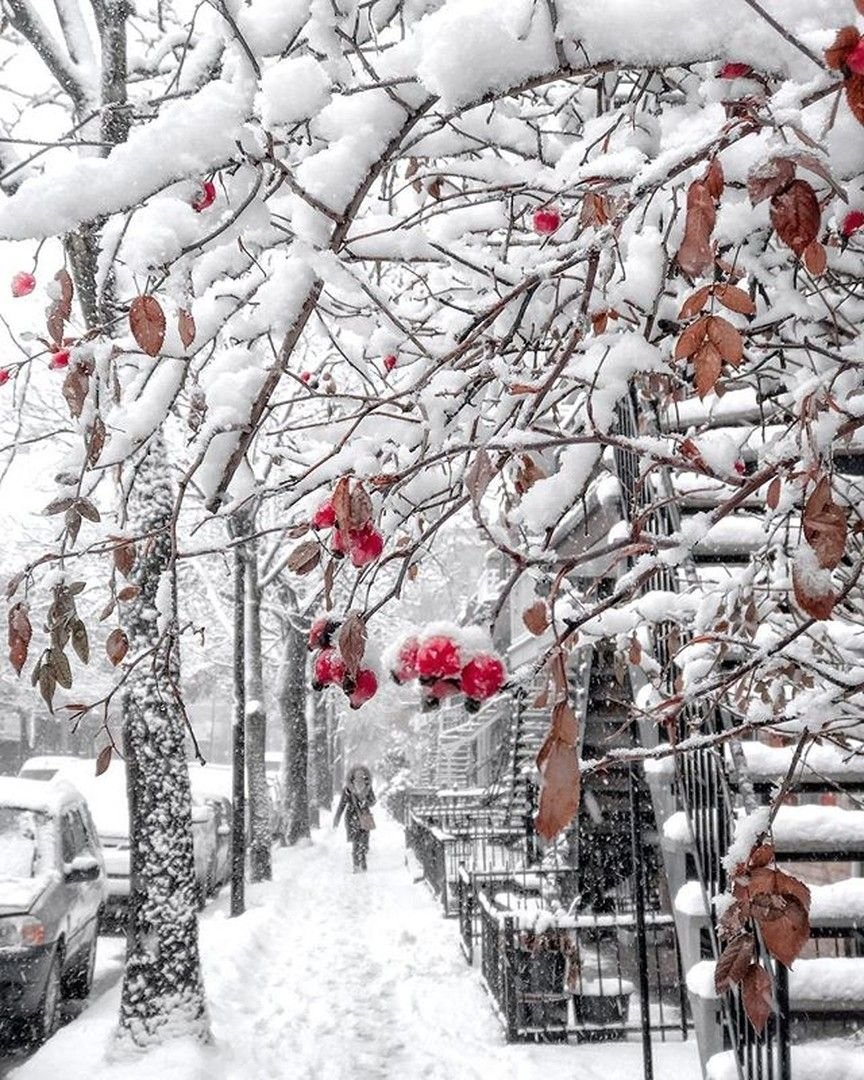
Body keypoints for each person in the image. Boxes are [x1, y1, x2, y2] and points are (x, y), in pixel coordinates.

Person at [333, 765, 376, 872]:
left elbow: (373, 801)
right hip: (352, 816)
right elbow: (341, 805)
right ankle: (356, 864)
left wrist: (367, 801)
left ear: (365, 778)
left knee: (364, 841)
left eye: (361, 777)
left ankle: (363, 860)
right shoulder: (348, 790)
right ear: (353, 778)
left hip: (365, 816)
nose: (359, 780)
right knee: (356, 842)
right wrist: (336, 819)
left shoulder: (368, 788)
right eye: (357, 778)